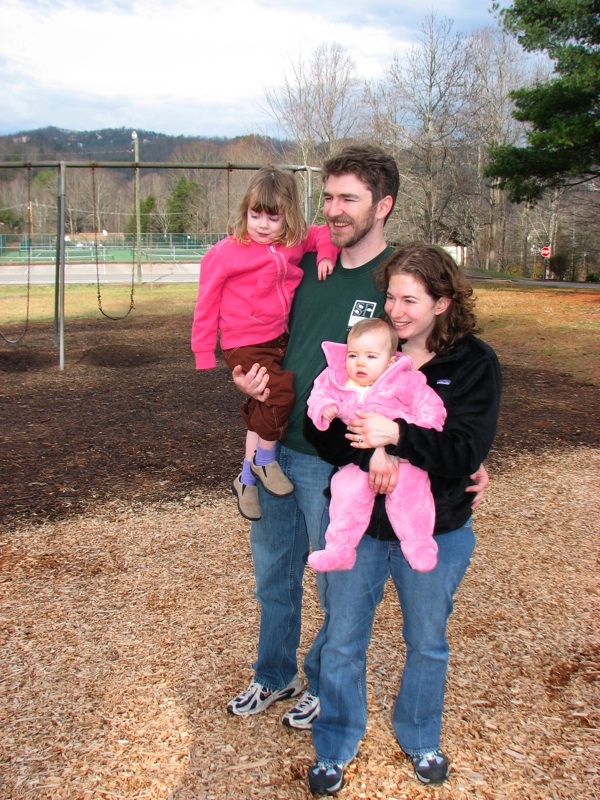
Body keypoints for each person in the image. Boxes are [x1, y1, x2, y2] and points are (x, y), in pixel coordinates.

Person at [226, 146, 489, 735]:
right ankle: (274, 673)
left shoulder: (398, 280)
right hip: (277, 444)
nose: (334, 210)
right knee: (273, 576)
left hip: (336, 457)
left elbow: (443, 363)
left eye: (350, 199)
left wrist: (467, 455)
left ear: (384, 205)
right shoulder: (305, 264)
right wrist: (248, 382)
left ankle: (323, 683)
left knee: (333, 579)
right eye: (329, 198)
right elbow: (263, 329)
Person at [304, 243, 502, 795]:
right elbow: (322, 432)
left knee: (428, 642)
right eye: (390, 296)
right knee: (343, 640)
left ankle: (419, 736)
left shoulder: (472, 364)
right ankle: (335, 743)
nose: (395, 308)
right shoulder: (366, 350)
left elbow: (464, 450)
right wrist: (373, 453)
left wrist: (399, 438)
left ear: (443, 303)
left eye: (410, 299)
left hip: (434, 529)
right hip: (362, 530)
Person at [191, 167, 338, 522]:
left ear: (289, 216)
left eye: (273, 217)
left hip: (276, 339)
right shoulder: (227, 252)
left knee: (263, 404)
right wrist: (203, 352)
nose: (262, 224)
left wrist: (326, 254)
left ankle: (245, 480)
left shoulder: (291, 244)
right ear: (245, 211)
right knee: (280, 395)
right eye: (255, 215)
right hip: (245, 342)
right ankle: (264, 461)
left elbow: (321, 234)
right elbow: (206, 304)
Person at [306, 317, 447, 573]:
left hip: (403, 459)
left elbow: (432, 407)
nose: (359, 363)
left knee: (411, 494)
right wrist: (323, 409)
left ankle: (419, 544)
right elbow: (317, 396)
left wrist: (413, 433)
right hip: (356, 459)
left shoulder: (406, 382)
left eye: (371, 356)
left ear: (391, 361)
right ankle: (340, 550)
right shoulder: (336, 379)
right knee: (346, 495)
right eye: (353, 355)